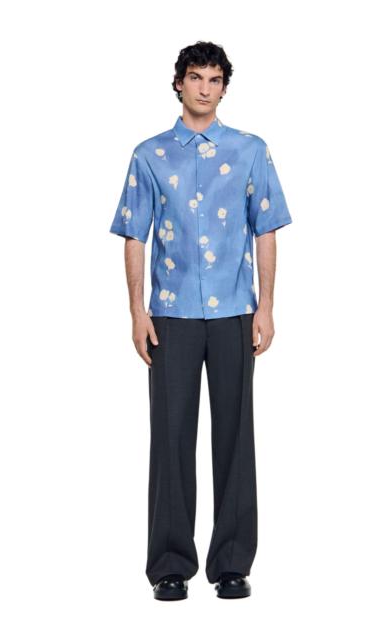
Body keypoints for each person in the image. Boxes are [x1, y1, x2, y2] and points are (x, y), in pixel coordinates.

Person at [109, 41, 293, 600]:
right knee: (170, 438)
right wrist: (137, 311)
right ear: (179, 83)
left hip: (235, 311)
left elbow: (266, 229)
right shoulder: (149, 155)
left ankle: (232, 564)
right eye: (196, 77)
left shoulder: (251, 151)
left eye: (215, 79)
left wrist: (266, 306)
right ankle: (170, 565)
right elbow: (134, 235)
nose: (205, 88)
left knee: (236, 436)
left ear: (224, 88)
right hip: (171, 316)